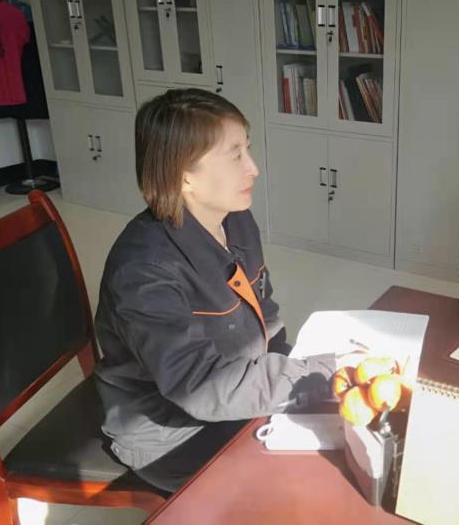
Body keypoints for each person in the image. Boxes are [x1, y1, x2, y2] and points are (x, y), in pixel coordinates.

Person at [93, 88, 336, 492]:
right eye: (235, 155)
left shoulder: (235, 219)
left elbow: (264, 311)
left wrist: (303, 371)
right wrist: (323, 374)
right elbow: (200, 386)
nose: (253, 168)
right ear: (184, 175)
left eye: (248, 149)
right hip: (170, 435)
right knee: (303, 484)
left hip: (234, 394)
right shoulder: (144, 270)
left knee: (352, 423)